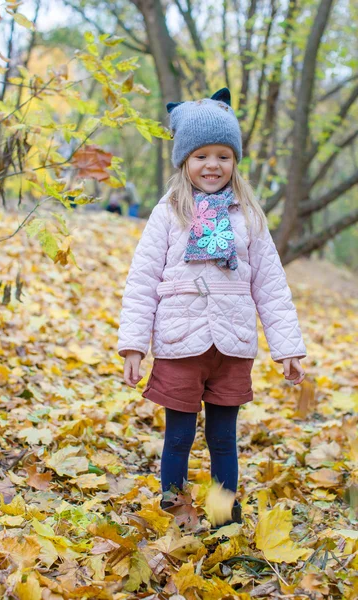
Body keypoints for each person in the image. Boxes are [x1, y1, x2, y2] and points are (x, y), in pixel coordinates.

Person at [117, 87, 307, 530]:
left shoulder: (250, 217)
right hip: (180, 344)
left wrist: (287, 348)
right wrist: (133, 345)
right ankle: (177, 515)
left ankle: (224, 520)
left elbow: (272, 286)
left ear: (234, 160)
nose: (212, 165)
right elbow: (142, 282)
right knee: (179, 437)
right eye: (201, 155)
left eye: (223, 155)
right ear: (184, 160)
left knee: (224, 439)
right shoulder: (168, 214)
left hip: (233, 345)